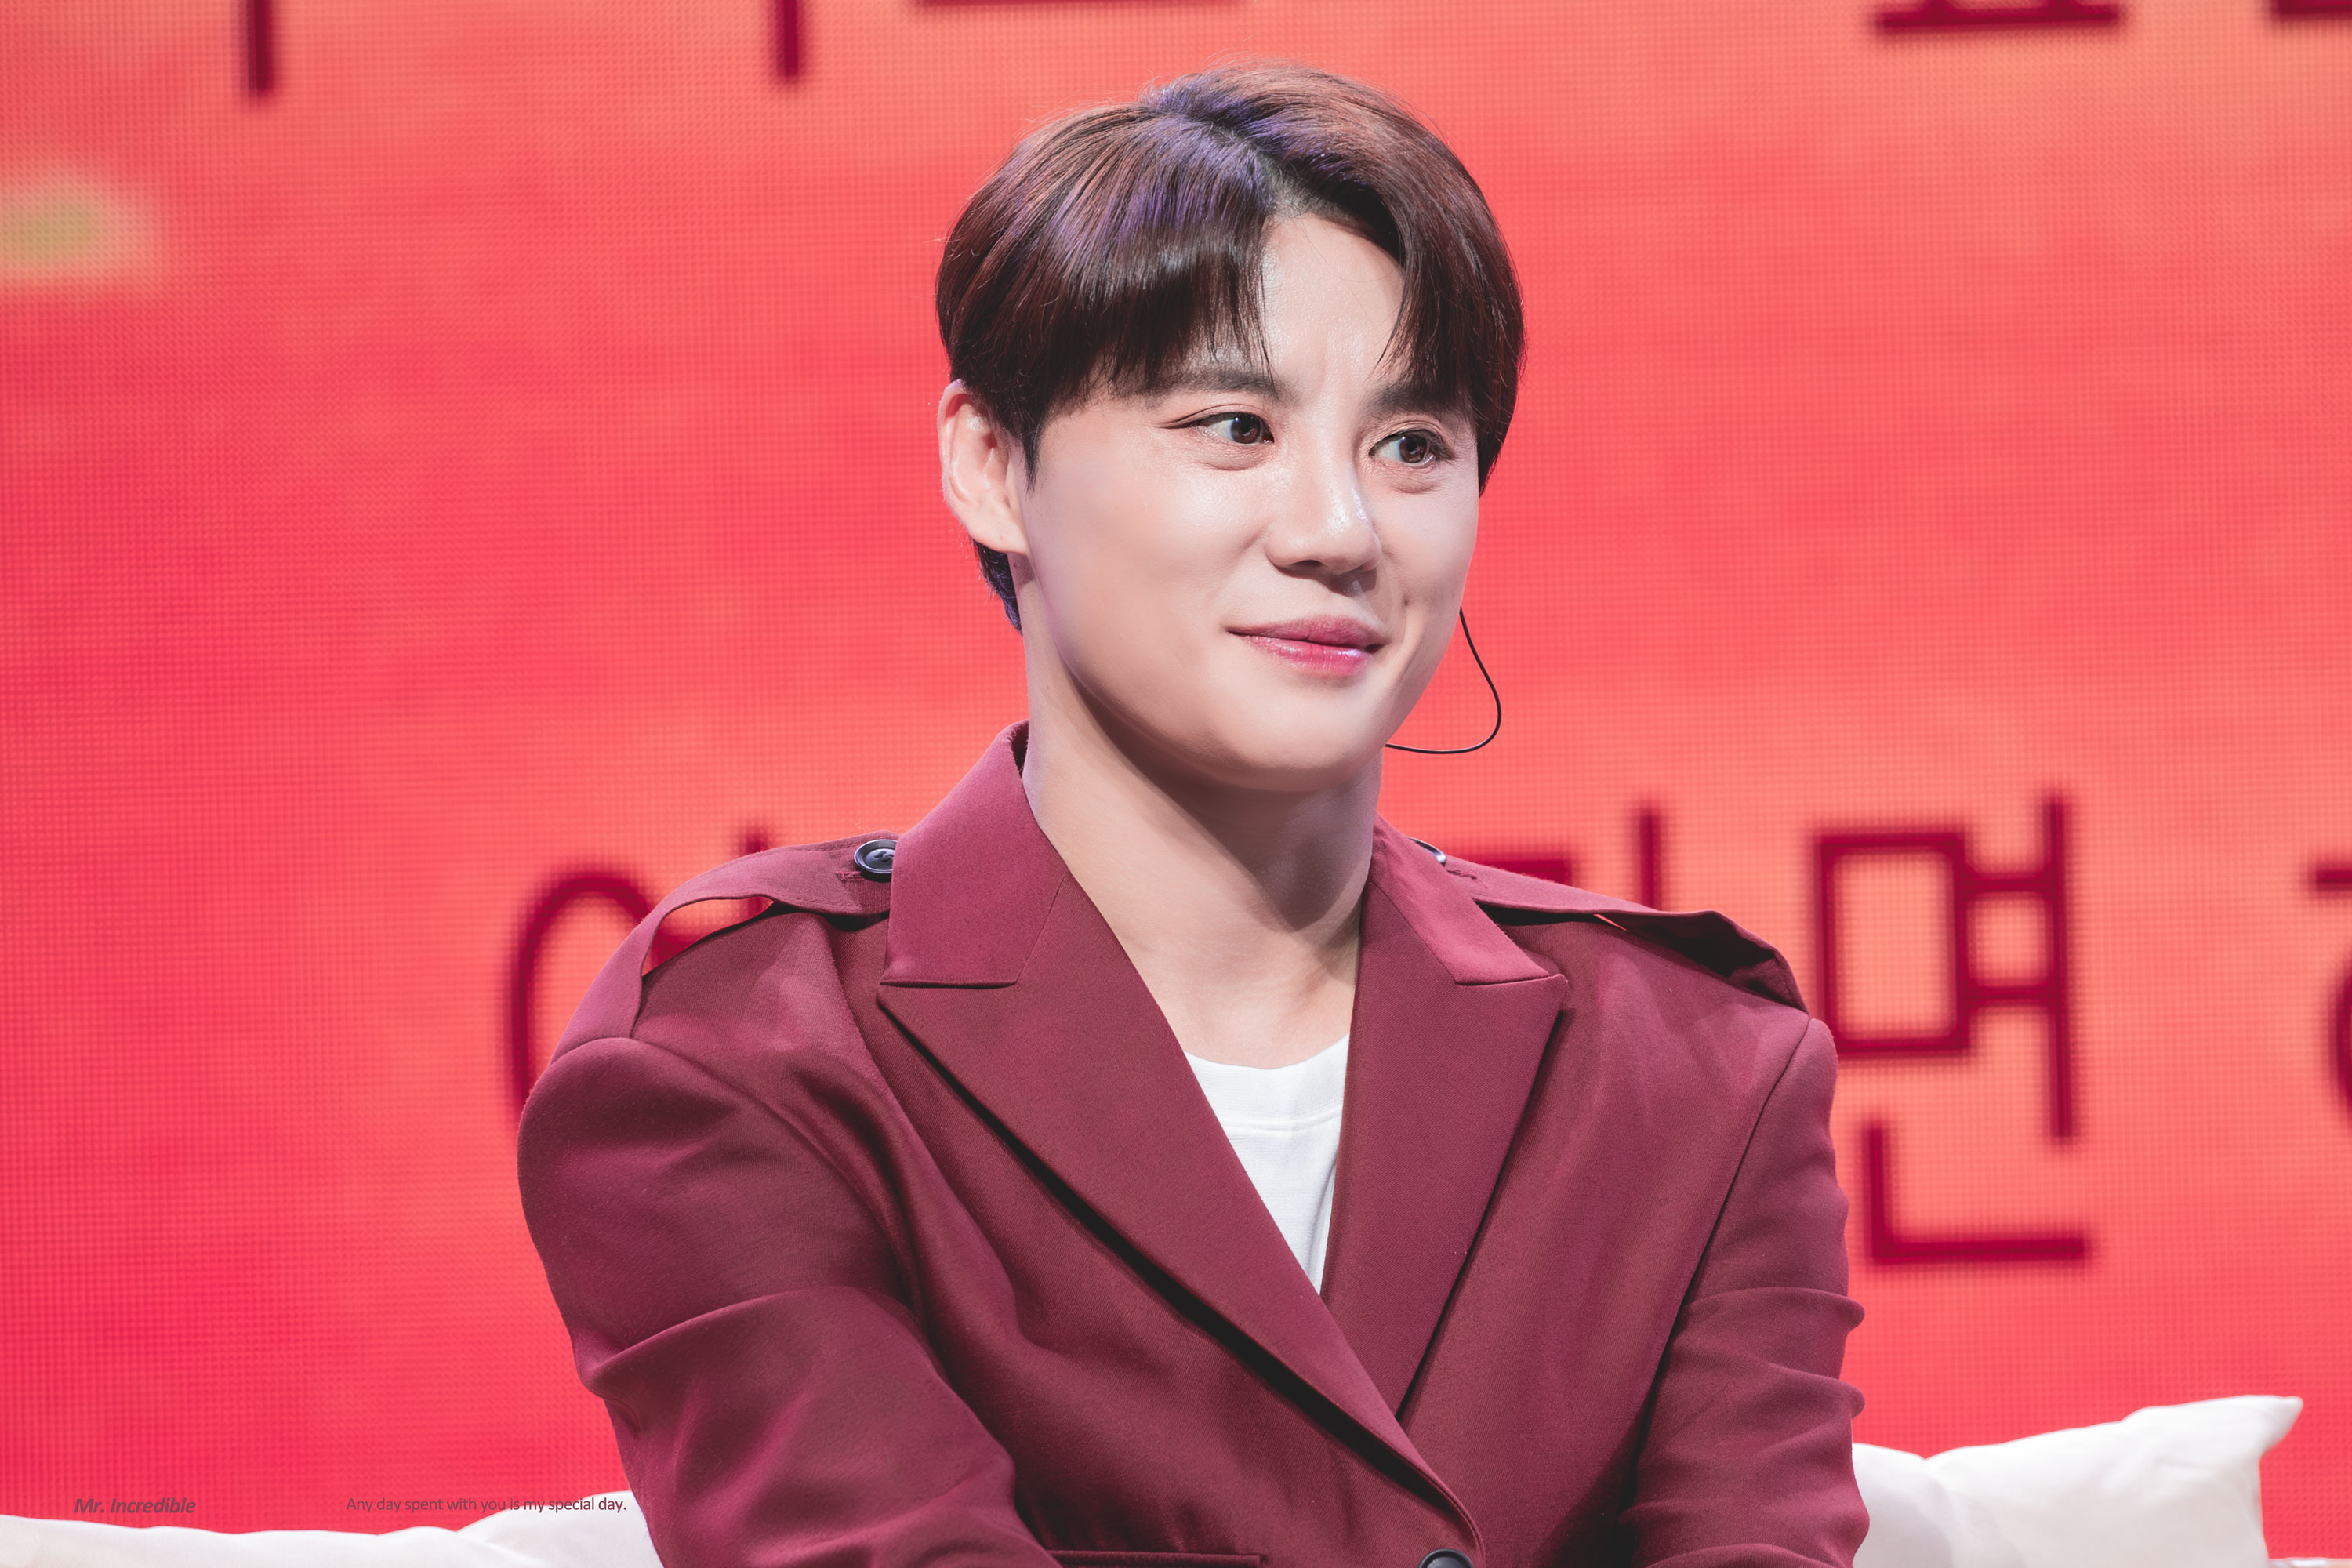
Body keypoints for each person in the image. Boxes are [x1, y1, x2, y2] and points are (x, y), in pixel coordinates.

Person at [518, 61, 1867, 1568]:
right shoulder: (747, 1067)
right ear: (990, 464)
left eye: (1412, 445)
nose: (1339, 531)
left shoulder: (1697, 1072)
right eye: (1232, 425)